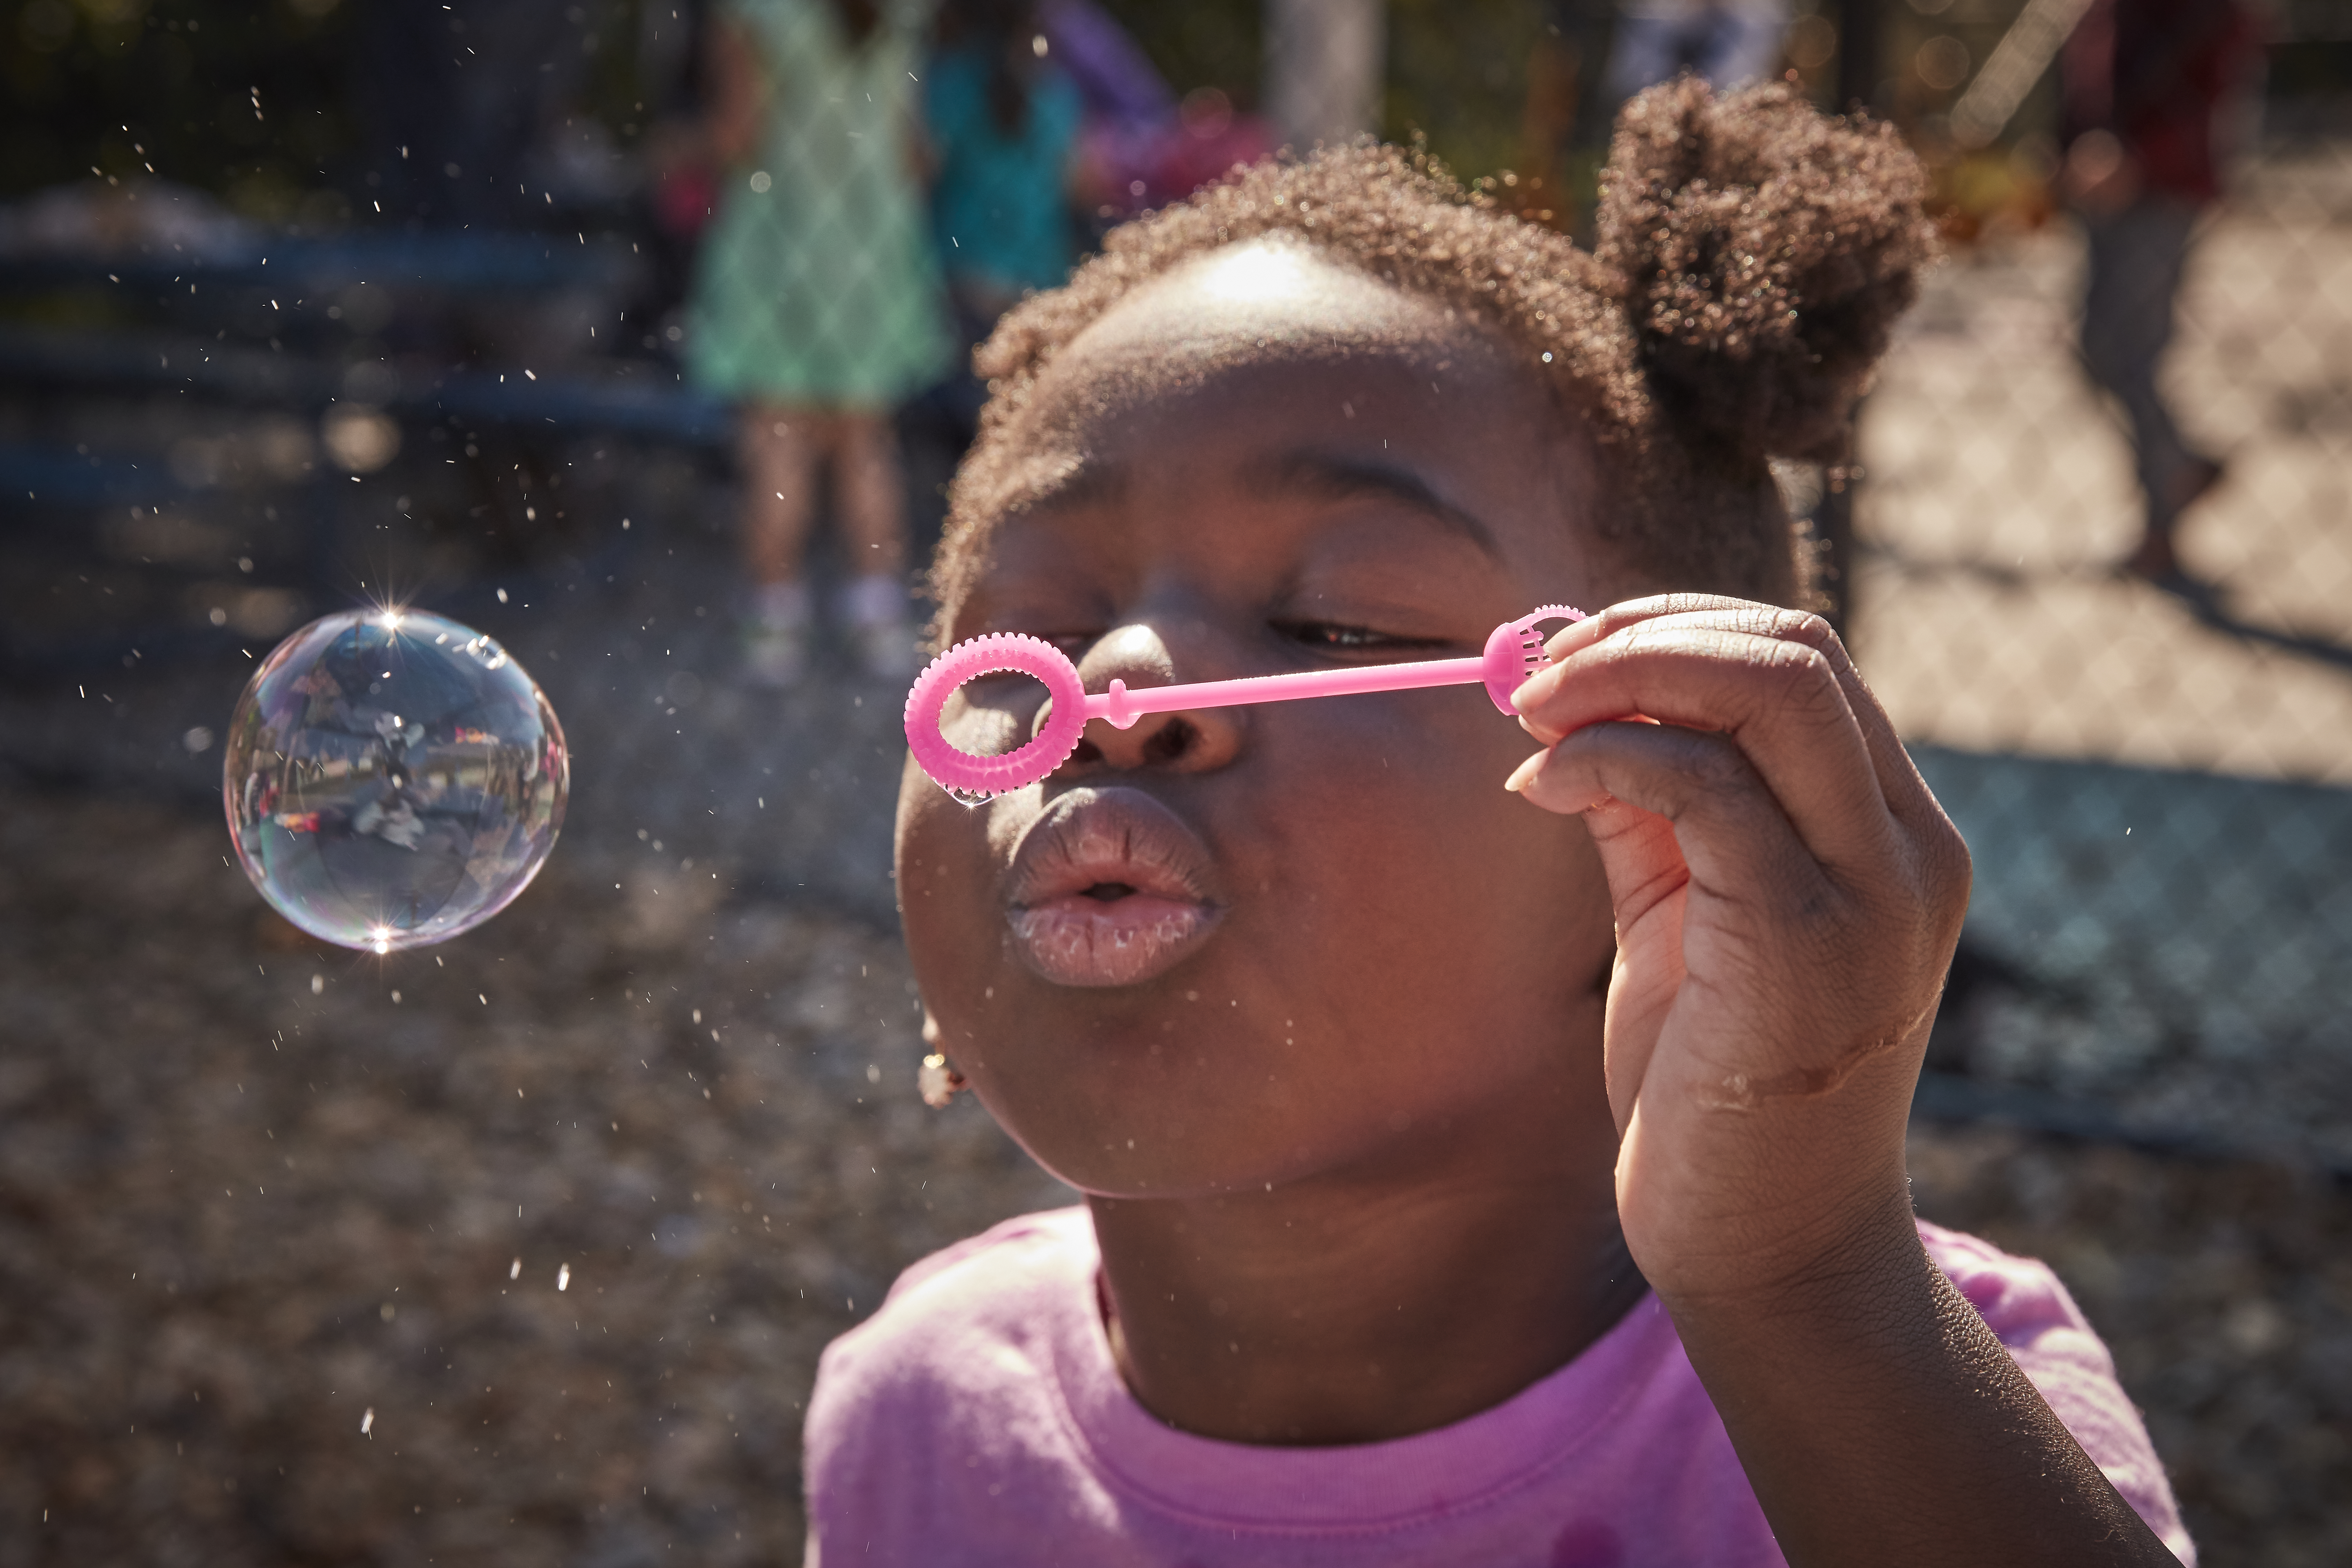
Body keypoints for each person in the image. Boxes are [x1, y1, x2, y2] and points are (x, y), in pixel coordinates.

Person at [808, 83, 2195, 1565]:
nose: (1117, 686)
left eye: (1327, 619)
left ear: (1670, 825)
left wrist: (1792, 1275)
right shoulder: (911, 1414)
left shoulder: (1901, 1405)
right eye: (1025, 630)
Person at [684, 0, 953, 685]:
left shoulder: (754, 12)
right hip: (871, 243)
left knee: (778, 439)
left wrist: (672, 154)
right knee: (865, 440)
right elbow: (911, 146)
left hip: (779, 238)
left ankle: (776, 623)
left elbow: (736, 132)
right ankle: (877, 617)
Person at [2061, 0, 2261, 590]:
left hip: (2163, 185)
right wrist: (2073, 146)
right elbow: (2092, 67)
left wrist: (2139, 158)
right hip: (2104, 179)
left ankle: (2161, 526)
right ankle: (2178, 469)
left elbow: (2210, 87)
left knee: (2133, 351)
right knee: (2097, 346)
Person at [922, 0, 1087, 437]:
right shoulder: (1055, 92)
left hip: (962, 285)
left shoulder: (949, 85)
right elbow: (1077, 181)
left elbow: (921, 169)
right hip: (1038, 285)